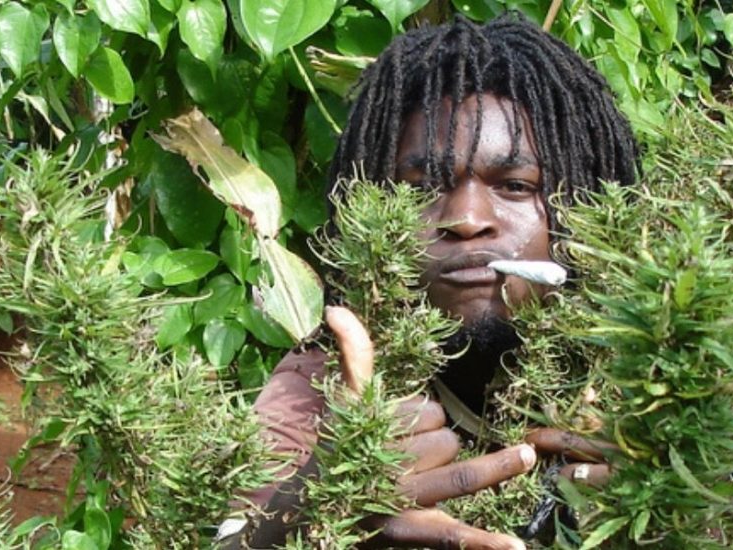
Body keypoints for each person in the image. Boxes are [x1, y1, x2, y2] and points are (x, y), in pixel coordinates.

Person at [221, 12, 639, 549]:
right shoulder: (329, 387)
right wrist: (319, 507)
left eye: (514, 185)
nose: (465, 218)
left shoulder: (675, 360)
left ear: (589, 202)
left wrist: (680, 495)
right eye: (420, 190)